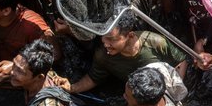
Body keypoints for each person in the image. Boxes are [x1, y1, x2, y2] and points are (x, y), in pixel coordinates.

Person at [54, 11, 187, 94]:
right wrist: (72, 88)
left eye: (111, 39)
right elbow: (94, 77)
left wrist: (174, 92)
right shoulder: (103, 54)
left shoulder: (155, 42)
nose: (105, 44)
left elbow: (181, 61)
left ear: (130, 36)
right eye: (103, 38)